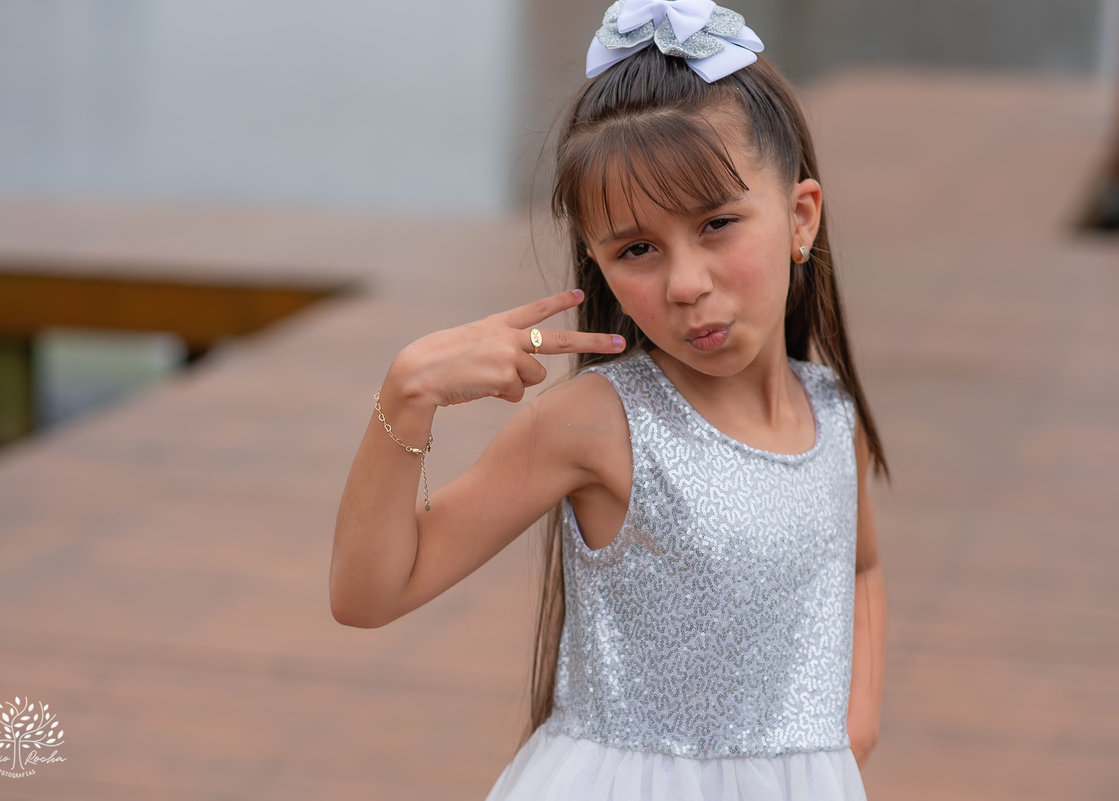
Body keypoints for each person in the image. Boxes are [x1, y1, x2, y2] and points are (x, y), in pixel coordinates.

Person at [331, 1, 888, 797]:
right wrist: (407, 391)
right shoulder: (598, 422)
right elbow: (369, 592)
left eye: (718, 224)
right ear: (598, 261)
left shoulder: (833, 415)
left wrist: (850, 718)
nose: (686, 282)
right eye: (637, 249)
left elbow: (860, 566)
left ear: (800, 218)